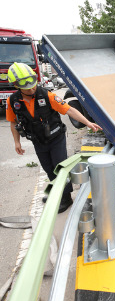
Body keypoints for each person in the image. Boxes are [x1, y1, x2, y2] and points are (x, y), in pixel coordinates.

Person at [6, 62, 102, 213]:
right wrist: (17, 142)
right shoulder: (12, 101)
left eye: (32, 85)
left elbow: (69, 110)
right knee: (49, 169)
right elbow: (13, 123)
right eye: (27, 87)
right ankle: (57, 193)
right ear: (16, 85)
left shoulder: (47, 95)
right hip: (38, 141)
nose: (31, 89)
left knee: (60, 168)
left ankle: (66, 198)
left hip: (56, 138)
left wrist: (88, 123)